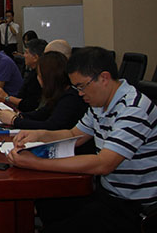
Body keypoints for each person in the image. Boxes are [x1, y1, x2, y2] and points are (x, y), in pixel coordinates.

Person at [8, 47, 157, 233]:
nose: (79, 93)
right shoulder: (100, 103)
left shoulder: (133, 109)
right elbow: (74, 135)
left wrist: (35, 162)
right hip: (107, 193)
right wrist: (40, 134)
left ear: (104, 78)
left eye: (81, 86)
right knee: (48, 204)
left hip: (134, 207)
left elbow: (104, 164)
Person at [0, 51, 88, 131]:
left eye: (39, 75)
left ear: (47, 78)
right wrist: (19, 115)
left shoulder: (71, 98)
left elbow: (51, 126)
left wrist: (14, 120)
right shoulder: (59, 94)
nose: (37, 78)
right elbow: (41, 114)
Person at [0, 38, 46, 111]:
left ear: (35, 57)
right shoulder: (32, 72)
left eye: (26, 53)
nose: (24, 55)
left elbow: (29, 105)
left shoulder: (38, 77)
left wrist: (6, 97)